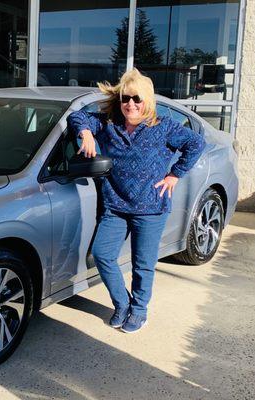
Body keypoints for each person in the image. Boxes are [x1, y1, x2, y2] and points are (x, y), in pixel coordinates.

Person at [66, 69, 206, 333]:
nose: (130, 104)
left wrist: (175, 175)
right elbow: (77, 115)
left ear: (148, 101)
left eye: (137, 99)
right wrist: (85, 133)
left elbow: (196, 144)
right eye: (125, 98)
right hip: (115, 206)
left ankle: (139, 311)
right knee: (103, 255)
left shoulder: (164, 127)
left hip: (151, 208)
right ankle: (122, 304)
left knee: (143, 264)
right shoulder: (109, 124)